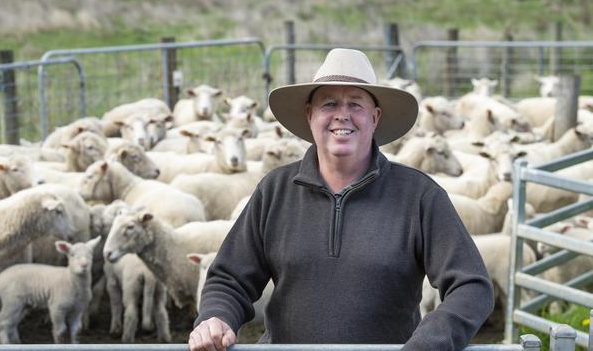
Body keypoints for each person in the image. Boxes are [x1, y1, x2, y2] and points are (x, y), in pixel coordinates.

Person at [188, 48, 494, 351]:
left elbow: (471, 286)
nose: (342, 115)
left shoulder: (419, 196)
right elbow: (229, 278)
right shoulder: (275, 191)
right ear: (310, 115)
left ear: (375, 117)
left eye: (356, 104)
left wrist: (430, 343)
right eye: (329, 103)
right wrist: (216, 317)